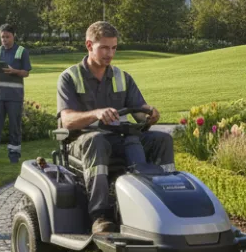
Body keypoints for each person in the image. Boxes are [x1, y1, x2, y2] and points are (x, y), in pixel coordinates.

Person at [56, 21, 175, 235]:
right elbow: (67, 120)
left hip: (119, 139)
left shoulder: (122, 77)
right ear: (89, 45)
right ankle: (100, 216)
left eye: (113, 48)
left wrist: (150, 113)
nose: (109, 54)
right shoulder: (70, 77)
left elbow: (139, 110)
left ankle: (167, 203)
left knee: (161, 139)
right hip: (81, 142)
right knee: (96, 140)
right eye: (104, 47)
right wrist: (96, 113)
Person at [0, 23, 32, 164]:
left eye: (7, 37)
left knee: (14, 127)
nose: (4, 39)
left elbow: (26, 72)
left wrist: (14, 71)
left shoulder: (22, 52)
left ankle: (14, 156)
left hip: (15, 97)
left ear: (13, 36)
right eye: (2, 37)